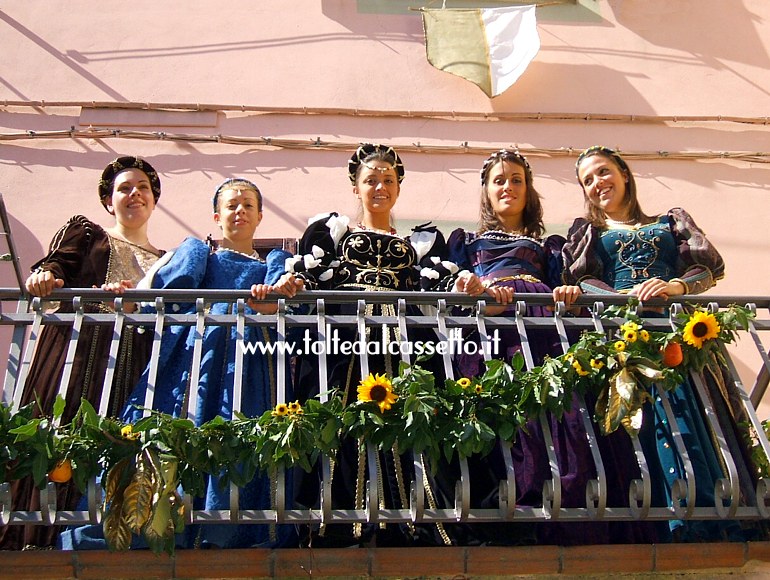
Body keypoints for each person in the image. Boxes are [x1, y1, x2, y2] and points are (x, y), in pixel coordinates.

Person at [59, 178, 300, 550]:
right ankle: (155, 523)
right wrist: (129, 298)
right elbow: (155, 291)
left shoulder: (275, 262)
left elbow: (278, 303)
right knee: (175, 427)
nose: (239, 212)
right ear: (217, 216)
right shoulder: (198, 253)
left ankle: (227, 530)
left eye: (248, 206)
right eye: (231, 205)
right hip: (193, 357)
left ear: (260, 216)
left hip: (247, 364)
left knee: (240, 430)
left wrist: (269, 298)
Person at [285, 143, 484, 548]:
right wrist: (292, 284)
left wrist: (463, 281)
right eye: (370, 179)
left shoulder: (423, 240)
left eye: (388, 179)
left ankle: (412, 519)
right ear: (355, 187)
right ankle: (339, 520)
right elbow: (310, 276)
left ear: (398, 187)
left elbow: (439, 283)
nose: (380, 186)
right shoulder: (332, 230)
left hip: (403, 340)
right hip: (346, 339)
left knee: (407, 418)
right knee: (341, 420)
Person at [562, 145, 752, 542]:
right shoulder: (590, 233)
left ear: (624, 174)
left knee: (693, 414)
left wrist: (676, 285)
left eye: (603, 172)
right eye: (588, 180)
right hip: (627, 339)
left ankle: (714, 514)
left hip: (678, 331)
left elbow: (709, 267)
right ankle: (669, 524)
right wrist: (625, 298)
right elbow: (582, 281)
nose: (598, 183)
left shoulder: (669, 222)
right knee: (649, 424)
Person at [0, 156, 164, 551]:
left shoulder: (165, 259)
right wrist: (46, 276)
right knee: (59, 438)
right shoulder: (89, 233)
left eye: (142, 187)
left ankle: (97, 537)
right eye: (124, 188)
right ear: (109, 202)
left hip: (133, 362)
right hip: (80, 353)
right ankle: (32, 537)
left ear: (154, 200)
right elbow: (59, 263)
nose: (134, 194)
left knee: (115, 442)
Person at [444, 149, 605, 546]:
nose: (508, 187)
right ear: (485, 190)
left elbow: (563, 284)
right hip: (488, 329)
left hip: (539, 325)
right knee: (498, 409)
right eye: (499, 180)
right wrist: (474, 287)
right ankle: (499, 511)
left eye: (516, 179)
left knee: (550, 412)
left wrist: (564, 290)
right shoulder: (465, 242)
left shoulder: (548, 244)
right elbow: (451, 282)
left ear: (528, 190)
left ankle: (549, 509)